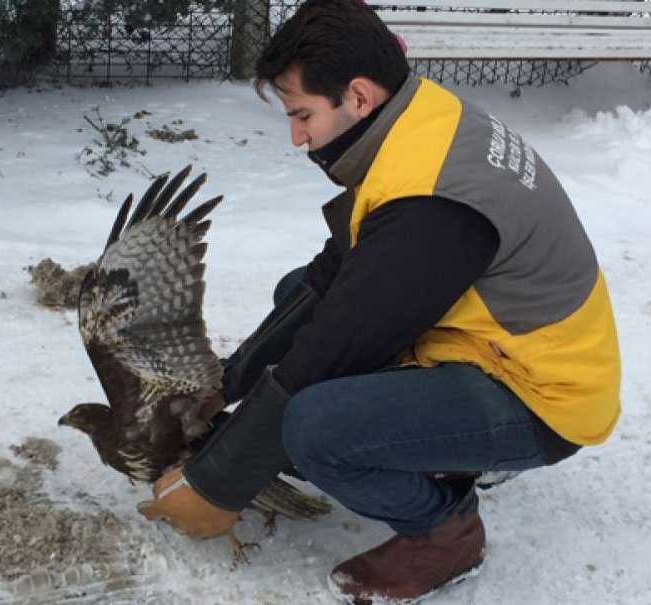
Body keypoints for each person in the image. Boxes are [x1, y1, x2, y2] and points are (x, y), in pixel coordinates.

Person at [137, 0, 621, 602]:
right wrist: (228, 383)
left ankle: (446, 532)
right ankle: (441, 452)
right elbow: (334, 274)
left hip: (541, 395)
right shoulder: (418, 122)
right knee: (298, 296)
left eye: (302, 114)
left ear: (358, 97)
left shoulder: (433, 207)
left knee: (313, 427)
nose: (296, 138)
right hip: (489, 347)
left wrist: (217, 483)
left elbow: (337, 345)